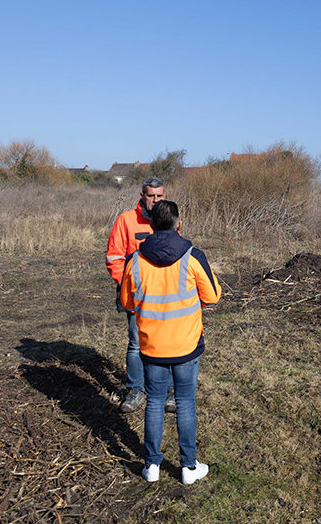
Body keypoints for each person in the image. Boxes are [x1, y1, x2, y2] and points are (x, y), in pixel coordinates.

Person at [118, 200, 221, 484]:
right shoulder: (193, 256)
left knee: (154, 403)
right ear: (179, 222)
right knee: (186, 402)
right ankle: (188, 467)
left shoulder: (135, 260)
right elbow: (212, 297)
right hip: (187, 345)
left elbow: (126, 301)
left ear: (150, 223)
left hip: (151, 347)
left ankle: (151, 466)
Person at [105, 177, 175, 413]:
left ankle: (167, 392)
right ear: (142, 196)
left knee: (166, 343)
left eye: (160, 196)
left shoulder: (168, 219)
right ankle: (136, 390)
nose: (155, 200)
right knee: (136, 344)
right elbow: (114, 258)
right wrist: (127, 286)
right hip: (137, 296)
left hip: (165, 296)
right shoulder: (125, 220)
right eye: (151, 196)